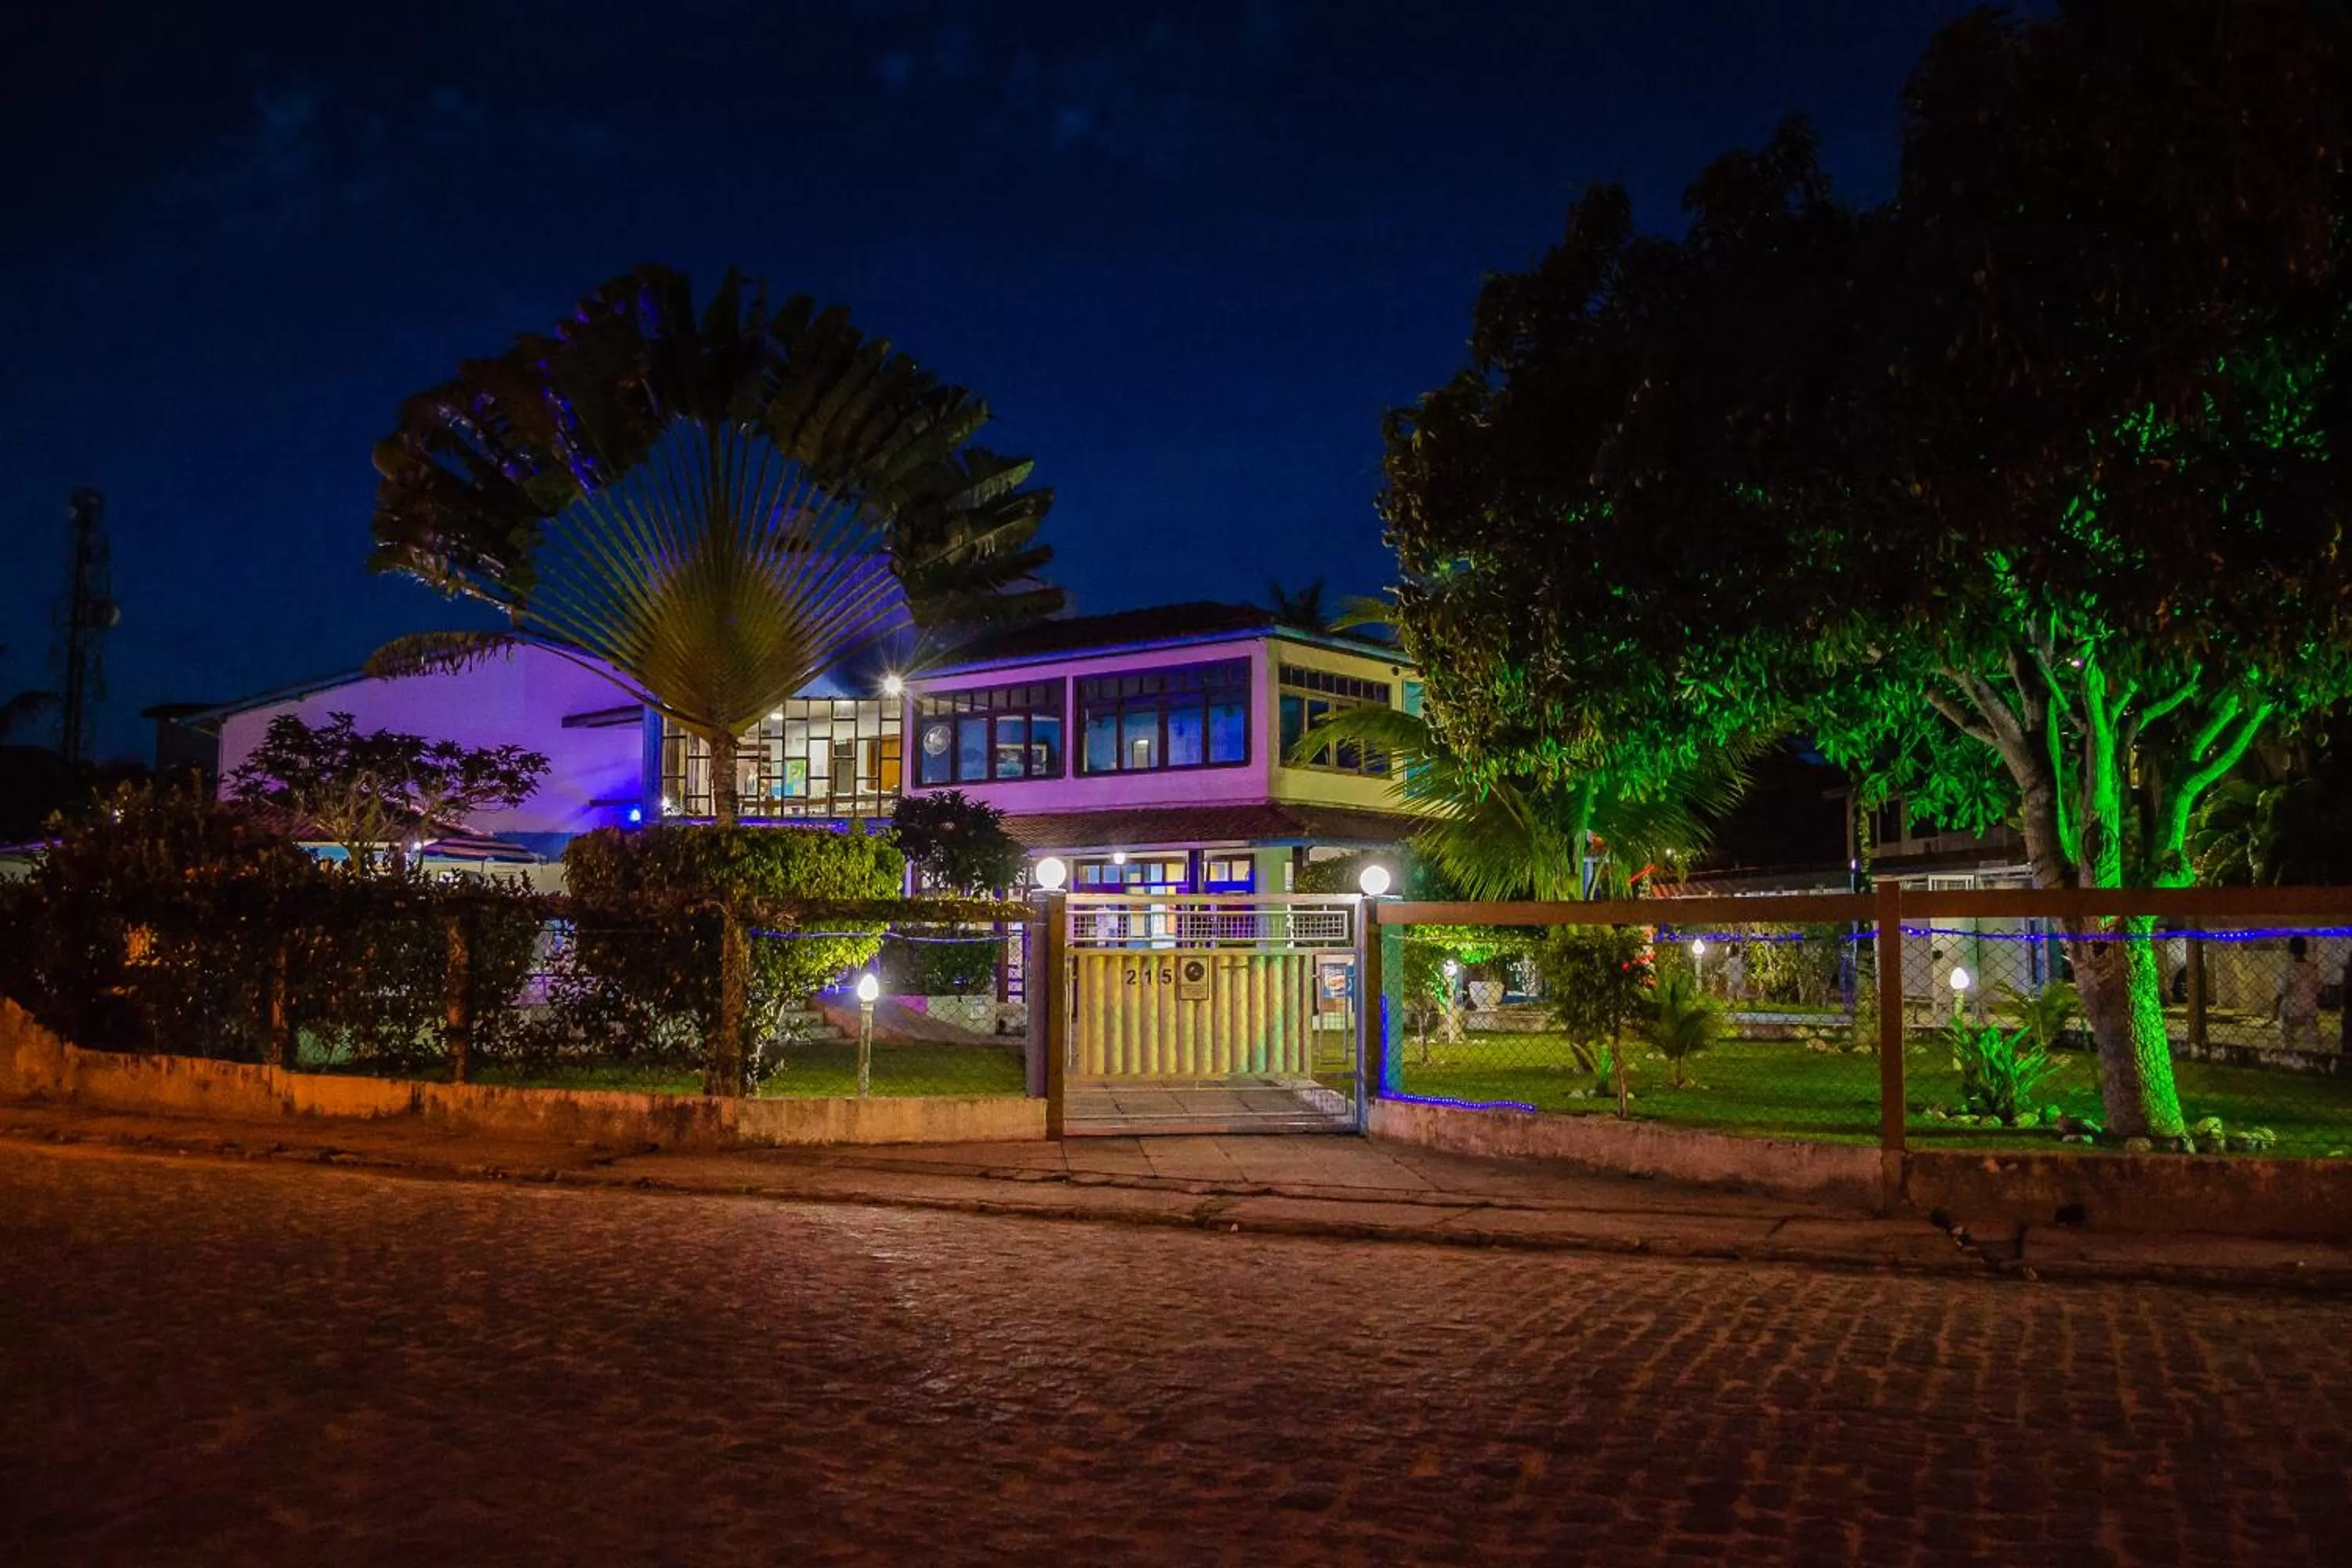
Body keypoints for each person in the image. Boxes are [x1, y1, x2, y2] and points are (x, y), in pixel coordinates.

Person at [2274, 936, 2322, 1051]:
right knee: (2312, 1039)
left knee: (2287, 1038)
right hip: (2309, 1007)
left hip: (2291, 1008)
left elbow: (2281, 992)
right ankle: (2314, 1055)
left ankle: (2287, 1053)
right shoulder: (2313, 968)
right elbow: (2318, 990)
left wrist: (2275, 1011)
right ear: (2305, 949)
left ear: (2290, 950)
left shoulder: (2287, 968)